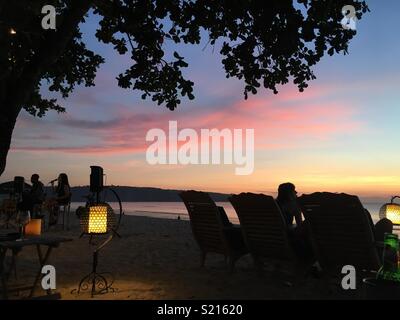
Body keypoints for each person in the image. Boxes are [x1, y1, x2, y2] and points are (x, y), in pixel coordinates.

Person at [276, 182, 314, 262]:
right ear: (288, 194)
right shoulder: (291, 206)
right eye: (293, 190)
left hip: (275, 241)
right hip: (289, 242)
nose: (296, 192)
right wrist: (297, 209)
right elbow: (299, 225)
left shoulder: (275, 204)